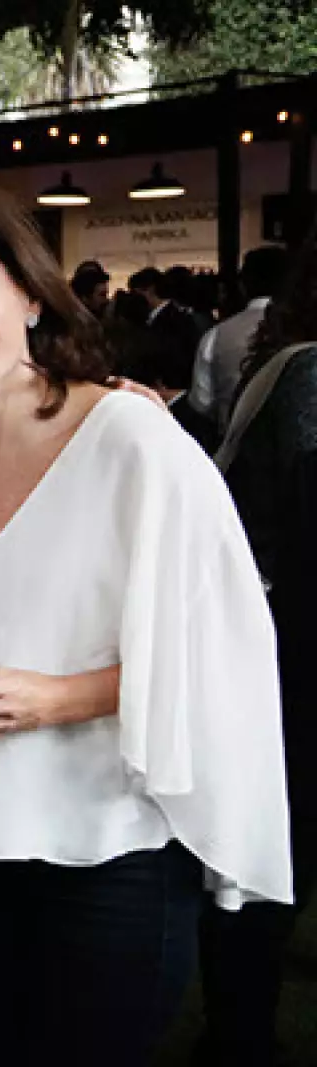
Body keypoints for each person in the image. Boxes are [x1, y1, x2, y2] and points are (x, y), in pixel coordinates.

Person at [0, 187, 292, 1067]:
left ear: (27, 293)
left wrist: (58, 697)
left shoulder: (129, 435)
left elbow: (231, 652)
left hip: (110, 851)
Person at [203, 225, 317, 1067]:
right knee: (280, 841)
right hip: (291, 650)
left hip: (275, 642)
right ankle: (240, 1031)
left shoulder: (280, 359)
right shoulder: (308, 374)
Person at [190, 244, 289, 434]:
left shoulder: (216, 335)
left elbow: (202, 403)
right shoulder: (304, 329)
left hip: (235, 447)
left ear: (243, 285)